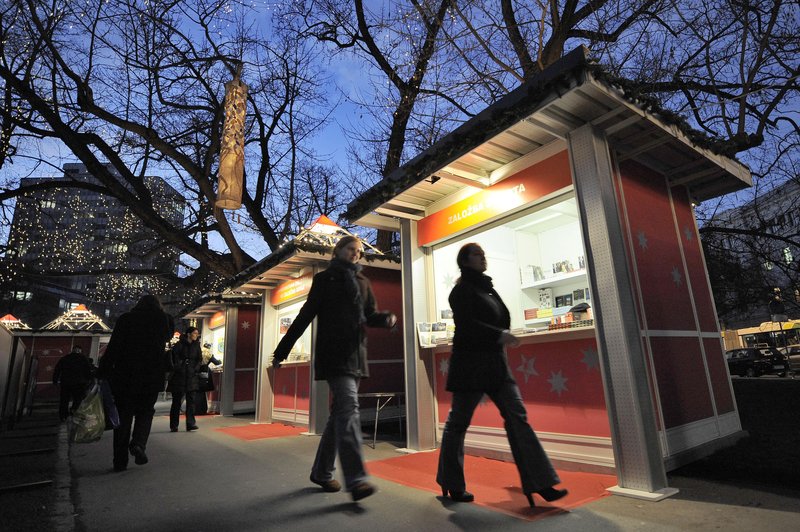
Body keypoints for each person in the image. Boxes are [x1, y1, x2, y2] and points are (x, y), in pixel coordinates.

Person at [436, 243, 568, 507]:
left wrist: (500, 334)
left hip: (496, 365)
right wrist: (498, 334)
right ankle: (451, 481)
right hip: (471, 366)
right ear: (465, 261)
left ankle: (540, 482)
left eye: (484, 255)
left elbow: (497, 320)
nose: (483, 258)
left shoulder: (487, 287)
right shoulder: (460, 291)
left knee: (518, 417)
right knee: (458, 423)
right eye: (477, 255)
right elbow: (468, 326)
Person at [272, 235, 397, 502]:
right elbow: (305, 316)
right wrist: (282, 350)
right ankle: (357, 479)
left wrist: (386, 319)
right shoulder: (324, 280)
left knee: (339, 414)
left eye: (359, 251)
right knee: (349, 407)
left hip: (356, 355)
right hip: (334, 354)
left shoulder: (363, 282)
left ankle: (321, 472)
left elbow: (370, 315)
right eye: (351, 249)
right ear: (338, 251)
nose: (355, 254)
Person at [97, 295, 174, 472]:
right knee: (146, 412)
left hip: (126, 376)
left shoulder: (126, 320)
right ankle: (139, 443)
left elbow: (114, 348)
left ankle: (120, 460)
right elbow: (169, 335)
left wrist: (102, 371)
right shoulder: (163, 320)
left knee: (123, 417)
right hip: (152, 376)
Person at [167, 327, 202, 432]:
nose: (196, 335)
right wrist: (179, 367)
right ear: (188, 334)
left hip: (191, 376)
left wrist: (195, 369)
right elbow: (174, 358)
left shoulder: (196, 346)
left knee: (191, 402)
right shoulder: (179, 345)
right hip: (179, 377)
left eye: (197, 333)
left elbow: (199, 359)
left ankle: (190, 424)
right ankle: (174, 425)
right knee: (176, 402)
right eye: (195, 333)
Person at [53, 346, 93, 422]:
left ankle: (63, 415)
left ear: (72, 350)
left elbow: (57, 369)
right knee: (78, 399)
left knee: (64, 400)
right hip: (79, 383)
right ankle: (74, 411)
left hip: (66, 383)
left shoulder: (65, 358)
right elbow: (88, 370)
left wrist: (55, 380)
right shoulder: (83, 358)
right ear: (80, 351)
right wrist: (89, 380)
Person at [195, 342, 221, 415]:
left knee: (197, 392)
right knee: (202, 392)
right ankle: (202, 410)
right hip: (204, 374)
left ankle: (195, 409)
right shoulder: (208, 354)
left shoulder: (199, 352)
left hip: (196, 374)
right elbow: (217, 363)